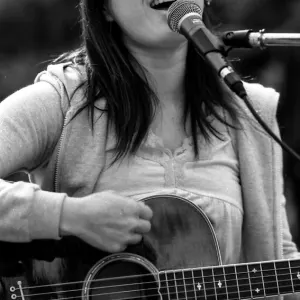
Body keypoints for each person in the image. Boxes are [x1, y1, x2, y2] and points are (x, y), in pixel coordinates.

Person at [0, 0, 299, 295]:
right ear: (103, 8)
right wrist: (70, 215)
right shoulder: (62, 100)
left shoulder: (249, 113)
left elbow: (279, 254)